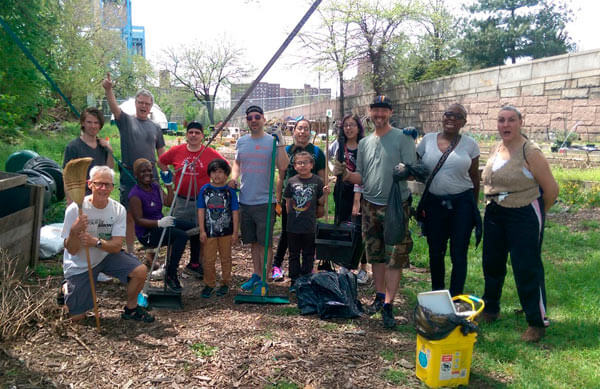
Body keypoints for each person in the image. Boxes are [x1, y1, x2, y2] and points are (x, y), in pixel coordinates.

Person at [335, 96, 416, 329]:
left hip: (395, 207)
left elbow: (413, 172)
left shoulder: (403, 138)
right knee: (375, 254)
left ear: (390, 112)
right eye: (375, 110)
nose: (379, 114)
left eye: (384, 110)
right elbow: (361, 176)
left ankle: (390, 304)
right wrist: (346, 175)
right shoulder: (365, 143)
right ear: (369, 113)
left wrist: (406, 171)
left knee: (394, 256)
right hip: (370, 205)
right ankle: (380, 298)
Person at [480, 106, 558, 343]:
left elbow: (552, 190)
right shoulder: (498, 147)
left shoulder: (530, 151)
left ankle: (536, 322)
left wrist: (535, 216)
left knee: (526, 268)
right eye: (501, 120)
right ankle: (491, 309)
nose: (506, 125)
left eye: (511, 120)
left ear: (520, 122)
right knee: (492, 263)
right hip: (495, 212)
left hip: (523, 212)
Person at [61, 165, 154, 323]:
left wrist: (95, 242)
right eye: (99, 184)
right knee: (77, 318)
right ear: (90, 184)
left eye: (108, 185)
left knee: (140, 270)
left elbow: (117, 246)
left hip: (106, 256)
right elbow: (71, 250)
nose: (104, 188)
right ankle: (65, 287)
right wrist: (74, 231)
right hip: (81, 263)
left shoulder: (118, 210)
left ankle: (131, 309)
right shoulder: (75, 210)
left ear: (112, 187)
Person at [416, 104, 481, 297]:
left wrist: (473, 209)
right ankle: (438, 295)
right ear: (442, 117)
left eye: (458, 116)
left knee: (458, 254)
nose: (451, 118)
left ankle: (455, 297)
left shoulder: (470, 145)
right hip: (435, 204)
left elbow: (475, 178)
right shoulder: (427, 141)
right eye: (448, 114)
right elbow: (413, 166)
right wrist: (407, 138)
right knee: (436, 252)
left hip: (462, 204)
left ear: (464, 122)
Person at [102, 72, 166, 253]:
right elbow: (114, 107)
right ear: (136, 104)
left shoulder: (155, 128)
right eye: (141, 103)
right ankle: (130, 252)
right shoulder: (126, 121)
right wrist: (108, 90)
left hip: (151, 178)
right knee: (129, 215)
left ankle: (151, 251)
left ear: (151, 106)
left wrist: (170, 174)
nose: (144, 106)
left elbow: (161, 155)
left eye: (147, 103)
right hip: (130, 176)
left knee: (152, 213)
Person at [229, 105, 289, 291]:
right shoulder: (242, 142)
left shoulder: (271, 141)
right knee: (253, 242)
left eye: (257, 117)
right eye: (250, 118)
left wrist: (280, 142)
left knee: (265, 242)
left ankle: (265, 277)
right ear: (247, 121)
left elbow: (283, 166)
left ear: (263, 119)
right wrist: (233, 178)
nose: (253, 120)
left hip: (265, 201)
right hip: (245, 199)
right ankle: (256, 274)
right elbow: (237, 163)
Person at [158, 121, 228, 278]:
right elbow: (161, 161)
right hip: (181, 200)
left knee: (200, 233)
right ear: (186, 135)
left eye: (197, 133)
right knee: (175, 232)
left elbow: (225, 167)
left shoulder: (209, 153)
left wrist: (216, 183)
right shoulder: (177, 151)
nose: (194, 135)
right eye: (191, 132)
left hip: (201, 201)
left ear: (202, 136)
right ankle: (169, 266)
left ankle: (196, 265)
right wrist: (168, 175)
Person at [273, 118, 326, 282]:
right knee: (287, 233)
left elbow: (323, 179)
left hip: (310, 202)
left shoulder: (317, 152)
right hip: (291, 199)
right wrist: (278, 200)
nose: (302, 132)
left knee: (308, 235)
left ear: (310, 132)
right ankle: (277, 266)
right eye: (299, 128)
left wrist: (321, 204)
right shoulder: (287, 150)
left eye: (306, 129)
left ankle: (307, 270)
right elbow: (281, 177)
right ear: (293, 131)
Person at [128, 158, 193, 292]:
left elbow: (169, 203)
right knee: (180, 236)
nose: (147, 174)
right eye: (142, 171)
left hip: (162, 224)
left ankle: (195, 263)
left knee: (192, 227)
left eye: (149, 170)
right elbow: (139, 220)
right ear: (136, 175)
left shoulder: (155, 187)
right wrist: (159, 223)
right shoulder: (135, 194)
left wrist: (169, 185)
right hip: (148, 233)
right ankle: (170, 273)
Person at [328, 114, 369, 284]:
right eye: (346, 125)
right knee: (344, 225)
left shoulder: (364, 146)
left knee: (360, 229)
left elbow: (364, 172)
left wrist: (357, 200)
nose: (349, 128)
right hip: (341, 191)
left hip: (360, 190)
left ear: (359, 127)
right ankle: (345, 263)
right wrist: (333, 170)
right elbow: (328, 159)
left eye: (352, 125)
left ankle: (363, 267)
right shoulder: (338, 144)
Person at [283, 151, 325, 291]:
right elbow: (288, 202)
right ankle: (294, 280)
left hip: (309, 225)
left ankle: (306, 279)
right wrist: (291, 217)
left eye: (305, 163)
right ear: (294, 166)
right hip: (293, 225)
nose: (302, 166)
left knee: (308, 253)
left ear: (311, 165)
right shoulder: (291, 181)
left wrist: (325, 194)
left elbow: (321, 202)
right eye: (299, 163)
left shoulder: (317, 181)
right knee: (294, 253)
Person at [197, 159, 239, 298]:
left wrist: (235, 232)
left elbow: (235, 211)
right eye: (214, 172)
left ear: (226, 174)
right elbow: (201, 210)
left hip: (226, 232)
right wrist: (202, 230)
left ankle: (225, 283)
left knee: (225, 258)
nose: (217, 175)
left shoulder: (230, 191)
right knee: (208, 259)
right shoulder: (205, 190)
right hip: (209, 232)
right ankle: (209, 283)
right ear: (210, 174)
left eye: (221, 172)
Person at [63, 107, 114, 199]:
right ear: (83, 123)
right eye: (89, 122)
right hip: (80, 197)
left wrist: (110, 151)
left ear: (100, 125)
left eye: (96, 123)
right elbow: (67, 177)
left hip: (100, 195)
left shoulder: (103, 146)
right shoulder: (73, 147)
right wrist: (70, 201)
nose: (93, 126)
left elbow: (109, 170)